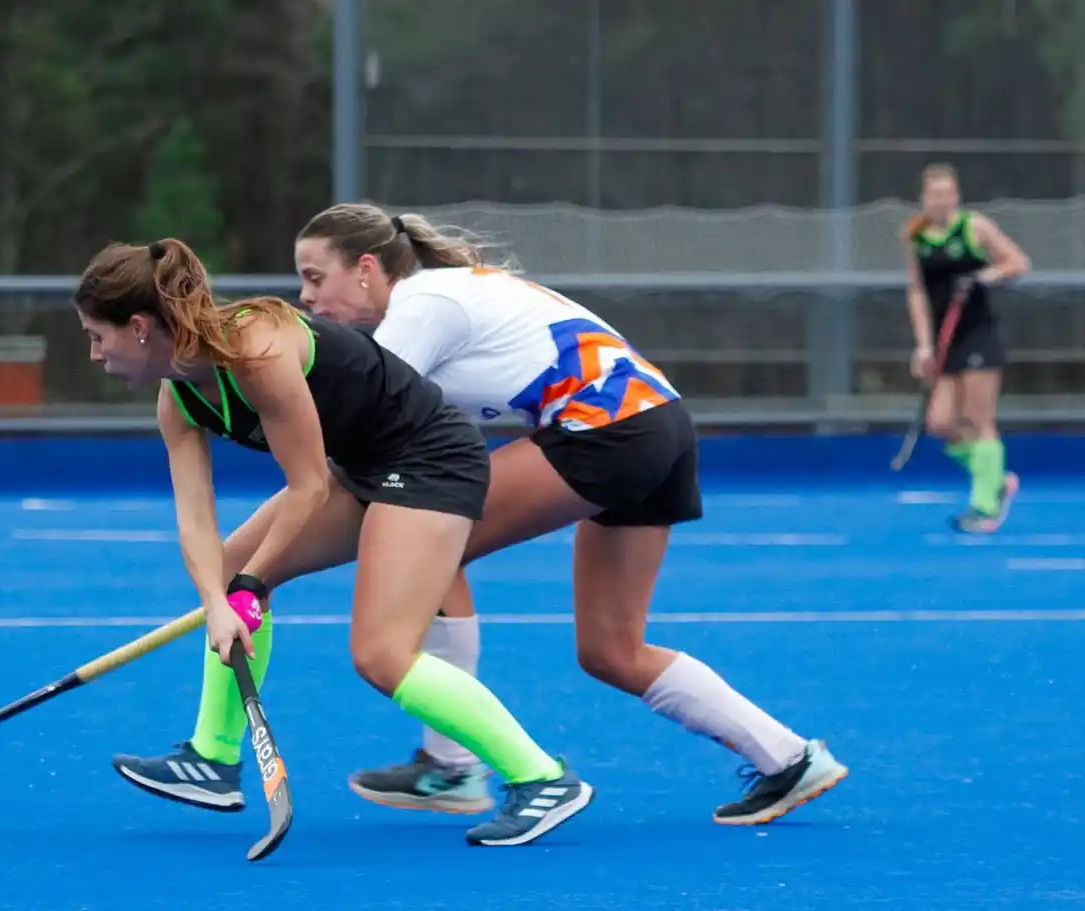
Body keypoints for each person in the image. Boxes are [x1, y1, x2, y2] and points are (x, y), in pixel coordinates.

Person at [114, 207, 849, 828]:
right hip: (656, 424)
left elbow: (364, 449)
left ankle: (457, 767)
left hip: (606, 428)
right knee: (611, 649)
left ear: (368, 269)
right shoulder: (434, 298)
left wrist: (249, 574)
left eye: (317, 278)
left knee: (425, 528)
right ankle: (788, 757)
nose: (308, 300)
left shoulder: (420, 308)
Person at [76, 237, 591, 847]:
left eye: (96, 336)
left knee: (381, 654)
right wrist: (219, 599)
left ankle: (542, 779)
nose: (93, 353)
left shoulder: (256, 350)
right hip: (362, 468)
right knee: (233, 564)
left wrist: (246, 589)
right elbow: (195, 520)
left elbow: (308, 485)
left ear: (138, 327)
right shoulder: (178, 397)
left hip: (428, 460)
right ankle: (212, 760)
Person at [902, 163, 1031, 533]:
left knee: (979, 419)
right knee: (939, 421)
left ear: (956, 197)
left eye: (947, 195)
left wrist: (981, 277)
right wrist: (923, 345)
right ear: (923, 199)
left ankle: (985, 507)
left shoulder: (974, 227)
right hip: (945, 339)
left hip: (978, 334)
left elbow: (1017, 262)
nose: (941, 202)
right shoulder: (915, 236)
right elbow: (916, 291)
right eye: (934, 196)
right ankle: (995, 478)